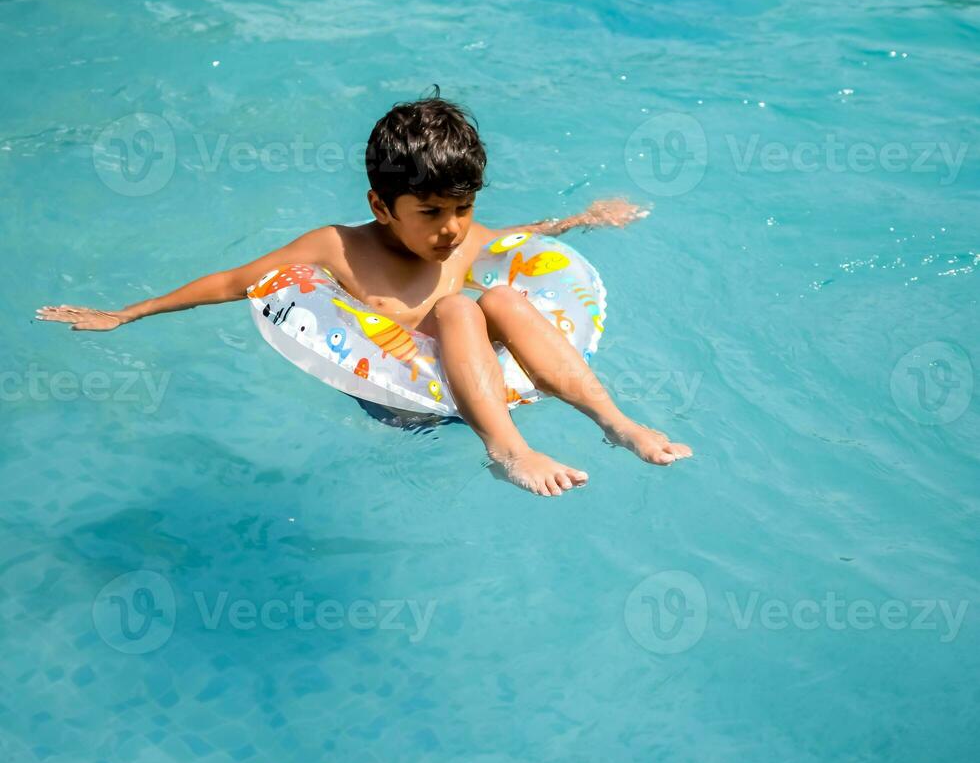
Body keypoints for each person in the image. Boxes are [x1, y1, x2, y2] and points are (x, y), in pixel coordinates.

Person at [37, 94, 692, 496]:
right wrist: (127, 313)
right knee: (460, 304)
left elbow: (514, 239)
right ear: (381, 205)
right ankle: (508, 450)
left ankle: (617, 423)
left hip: (481, 380)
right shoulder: (337, 248)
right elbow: (236, 281)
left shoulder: (465, 239)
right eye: (432, 211)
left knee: (504, 301)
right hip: (405, 404)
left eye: (463, 208)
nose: (452, 229)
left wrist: (577, 221)